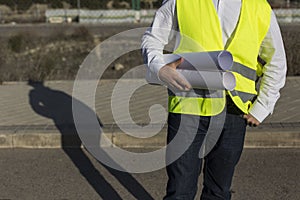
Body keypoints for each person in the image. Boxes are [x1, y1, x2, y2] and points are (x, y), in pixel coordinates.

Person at [141, 0, 287, 199]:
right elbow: (152, 38)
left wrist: (262, 106)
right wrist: (159, 68)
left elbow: (276, 61)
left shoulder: (259, 7)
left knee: (218, 191)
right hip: (187, 104)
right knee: (179, 190)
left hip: (234, 110)